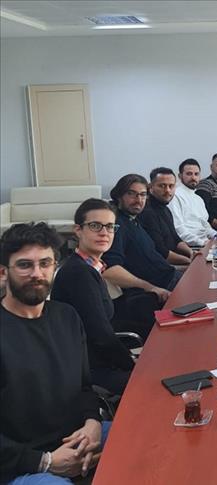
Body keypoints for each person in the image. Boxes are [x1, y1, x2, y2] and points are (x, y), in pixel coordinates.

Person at [0, 222, 110, 483]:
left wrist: (92, 423)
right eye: (25, 265)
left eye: (45, 263)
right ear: (3, 272)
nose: (37, 273)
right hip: (18, 462)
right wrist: (43, 461)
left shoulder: (67, 317)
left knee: (145, 439)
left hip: (75, 438)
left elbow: (84, 387)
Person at [51, 199, 135, 395]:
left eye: (110, 226)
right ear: (78, 230)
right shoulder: (79, 273)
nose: (104, 232)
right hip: (89, 369)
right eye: (95, 226)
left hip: (97, 360)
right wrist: (131, 364)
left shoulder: (90, 268)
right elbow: (100, 335)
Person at [103, 174, 181, 327]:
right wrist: (150, 288)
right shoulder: (116, 225)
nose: (138, 200)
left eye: (143, 195)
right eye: (132, 194)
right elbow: (110, 270)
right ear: (119, 196)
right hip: (161, 290)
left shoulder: (133, 220)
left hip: (171, 277)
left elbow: (153, 259)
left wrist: (186, 267)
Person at [139, 167, 193, 266]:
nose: (168, 190)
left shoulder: (166, 209)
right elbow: (161, 252)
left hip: (175, 259)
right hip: (161, 265)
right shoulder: (147, 212)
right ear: (150, 187)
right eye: (162, 186)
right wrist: (189, 261)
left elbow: (176, 239)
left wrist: (191, 252)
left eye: (171, 186)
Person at [169, 158, 217, 247]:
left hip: (206, 242)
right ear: (180, 176)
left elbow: (205, 226)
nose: (193, 178)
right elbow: (178, 229)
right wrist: (201, 243)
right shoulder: (175, 196)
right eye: (189, 174)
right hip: (192, 246)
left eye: (196, 174)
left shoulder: (198, 199)